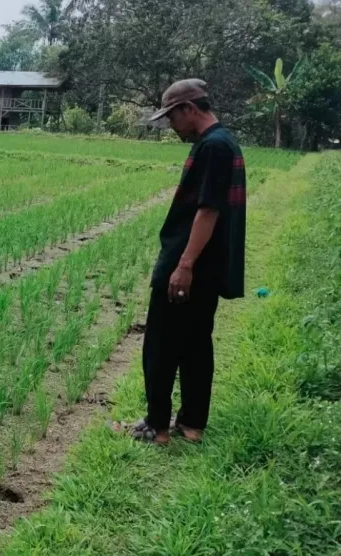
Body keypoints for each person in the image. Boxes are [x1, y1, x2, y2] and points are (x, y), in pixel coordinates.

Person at [126, 79, 247, 445]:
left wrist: (184, 265)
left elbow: (208, 211)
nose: (171, 126)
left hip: (190, 262)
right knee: (195, 344)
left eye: (172, 117)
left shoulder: (213, 147)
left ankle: (157, 427)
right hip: (209, 265)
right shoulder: (223, 142)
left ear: (189, 109)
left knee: (160, 344)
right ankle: (192, 424)